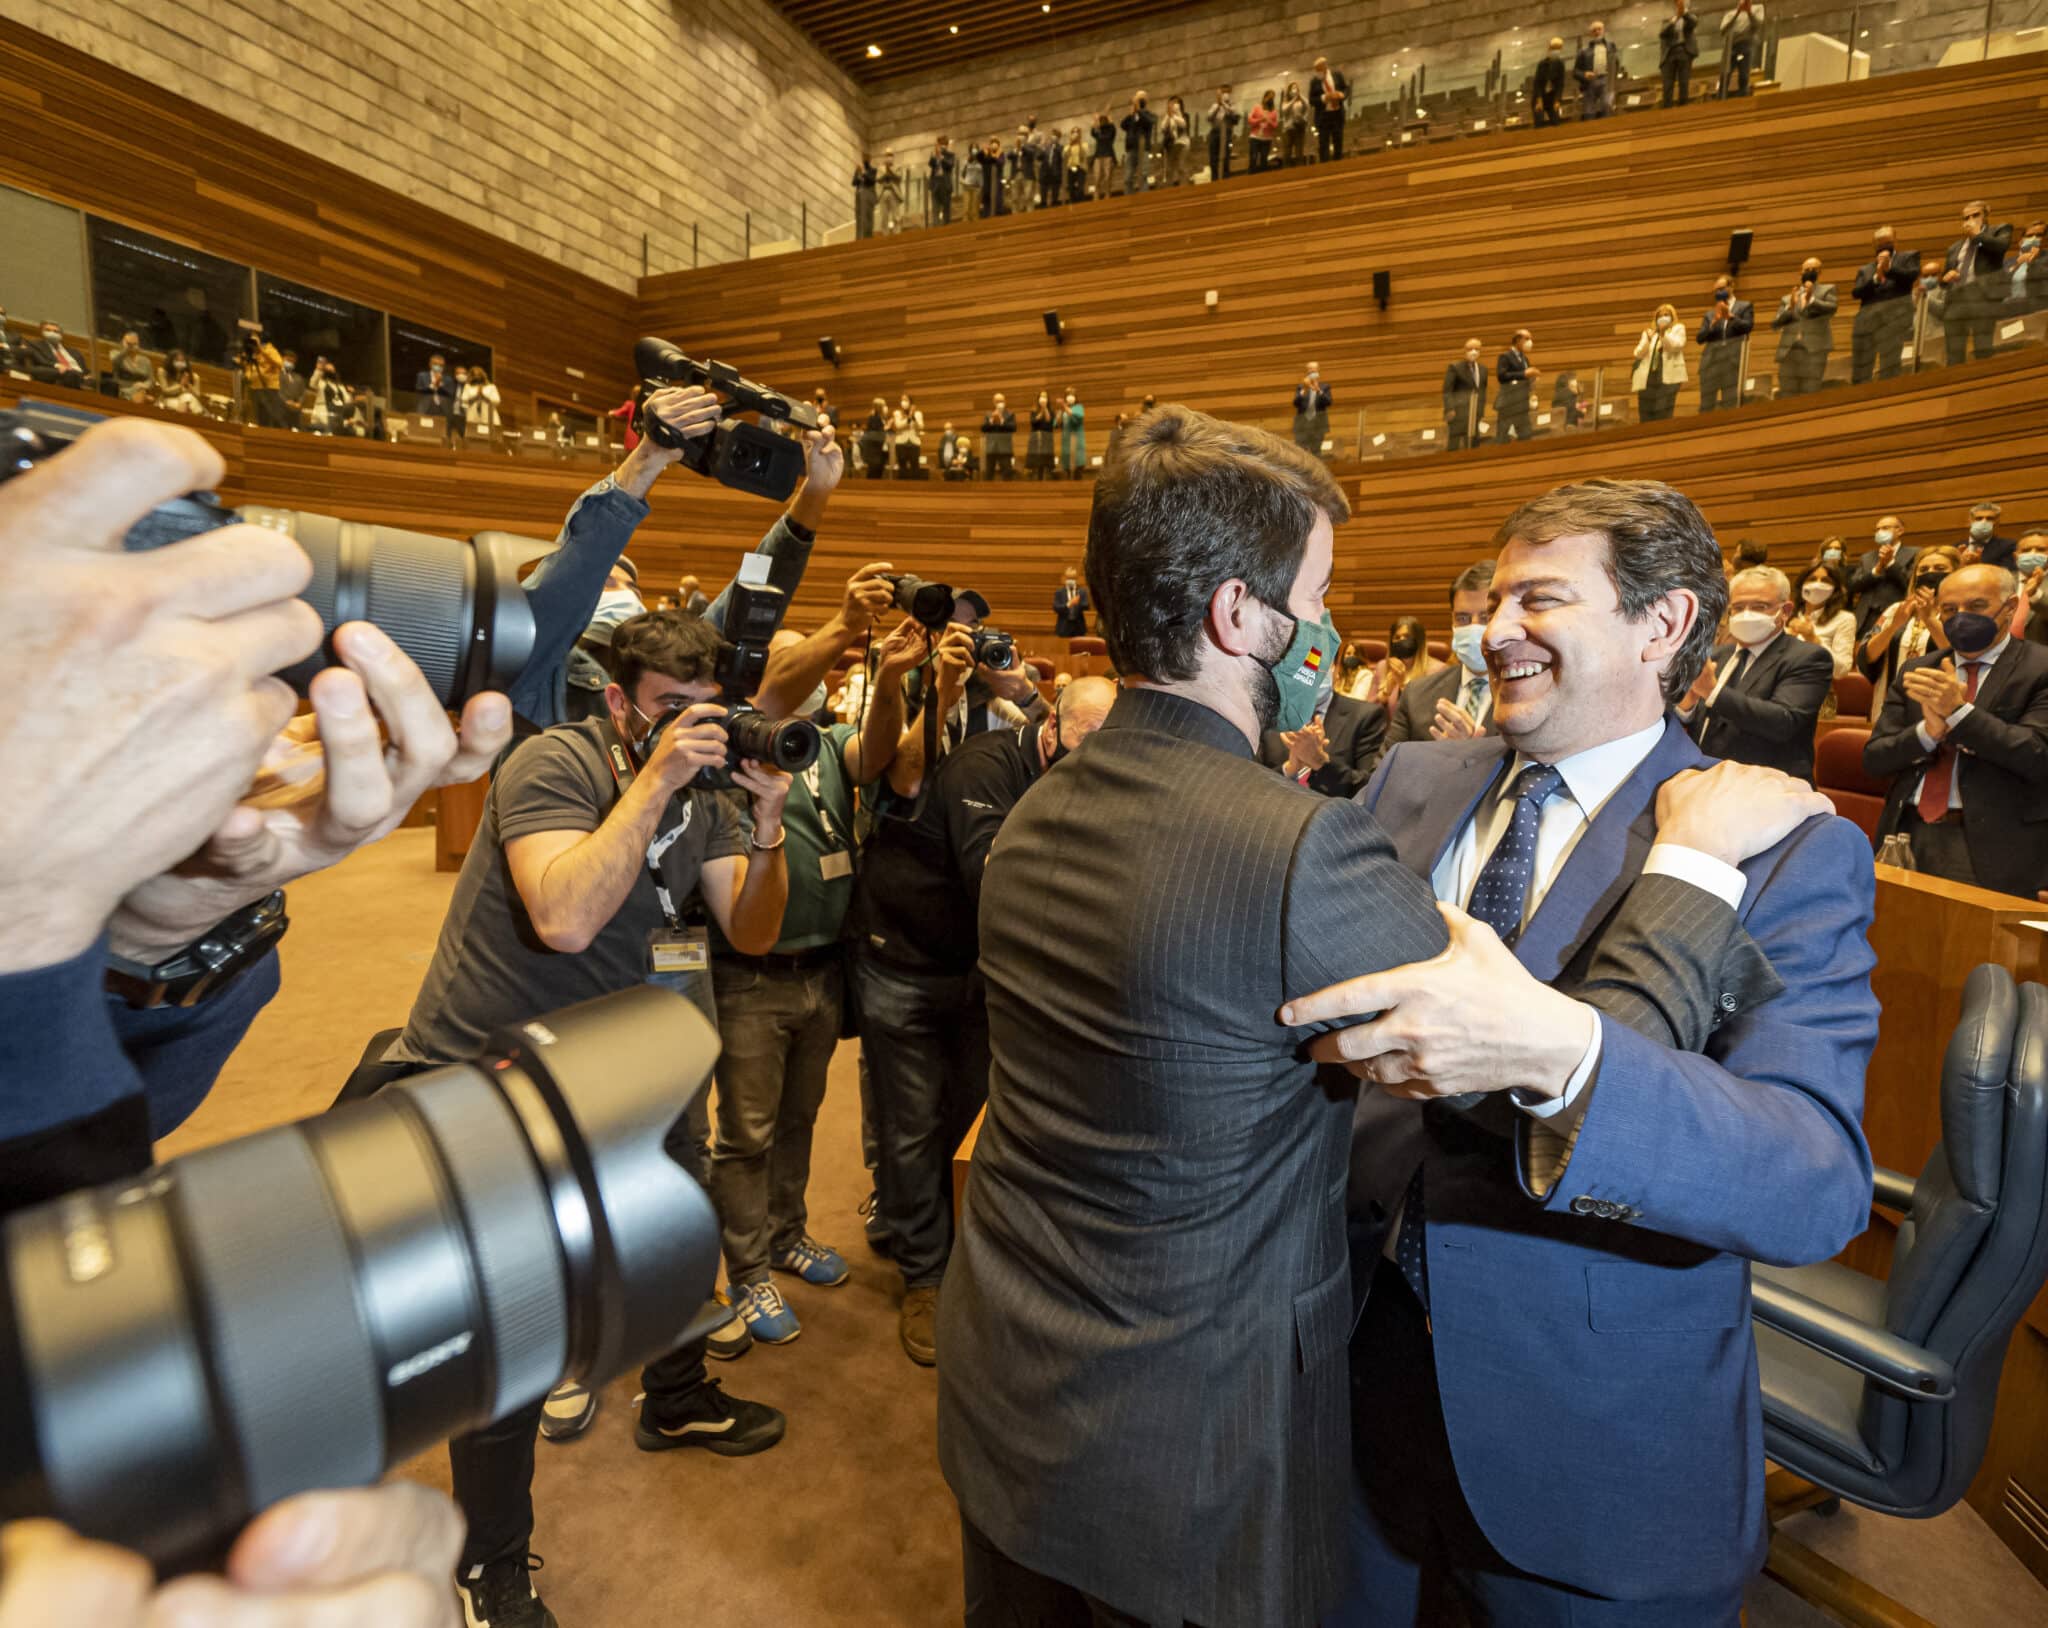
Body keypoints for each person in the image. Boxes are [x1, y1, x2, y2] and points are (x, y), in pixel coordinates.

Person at [1311, 478, 1877, 1628]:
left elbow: (1811, 1178)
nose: (1495, 629)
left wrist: (1565, 1054)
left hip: (1583, 1447)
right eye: (1493, 597)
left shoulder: (1775, 844)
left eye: (1541, 598)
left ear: (1659, 625)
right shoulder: (1408, 779)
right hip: (1346, 1392)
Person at [936, 405, 1452, 1628]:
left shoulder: (1034, 814)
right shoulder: (1304, 847)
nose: (1326, 630)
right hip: (1195, 1452)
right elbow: (1507, 1058)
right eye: (1316, 597)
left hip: (1008, 1383)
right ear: (1239, 616)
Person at [373, 608, 796, 1626]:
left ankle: (679, 1395)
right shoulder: (553, 761)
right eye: (668, 714)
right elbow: (563, 916)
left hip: (619, 1059)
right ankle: (492, 1562)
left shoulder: (709, 792)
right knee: (509, 1329)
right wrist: (654, 781)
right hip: (491, 1069)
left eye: (707, 713)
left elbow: (751, 924)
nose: (694, 733)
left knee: (679, 1226)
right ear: (617, 701)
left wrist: (770, 818)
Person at [855, 663, 1121, 1367]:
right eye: (1087, 737)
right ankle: (923, 1279)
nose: (1098, 754)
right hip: (906, 964)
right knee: (911, 1126)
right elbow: (996, 879)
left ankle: (956, 1255)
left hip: (972, 974)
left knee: (968, 1120)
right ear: (1052, 726)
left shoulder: (1077, 772)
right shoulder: (986, 764)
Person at [710, 613, 921, 1346]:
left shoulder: (824, 744)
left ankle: (785, 1234)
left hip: (823, 970)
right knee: (746, 1134)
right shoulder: (728, 759)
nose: (807, 682)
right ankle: (746, 1270)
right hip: (750, 977)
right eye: (791, 667)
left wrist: (890, 676)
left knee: (798, 1117)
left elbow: (881, 750)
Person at [1866, 563, 2048, 895]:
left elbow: (2037, 755)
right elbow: (1875, 759)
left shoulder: (2040, 669)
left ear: (2009, 607)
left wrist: (1960, 714)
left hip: (1994, 846)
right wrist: (1927, 733)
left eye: (1976, 606)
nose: (1961, 617)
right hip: (1907, 833)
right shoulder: (1919, 669)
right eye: (1949, 609)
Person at [1678, 566, 1836, 780]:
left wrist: (1712, 691)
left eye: (1759, 606)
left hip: (1771, 790)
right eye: (1739, 607)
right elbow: (1698, 720)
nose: (1747, 615)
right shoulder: (1717, 655)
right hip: (1709, 781)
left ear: (1786, 611)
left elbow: (1783, 722)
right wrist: (1687, 706)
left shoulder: (1808, 658)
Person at [1380, 560, 1498, 756]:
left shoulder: (1529, 696)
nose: (1473, 627)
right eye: (1463, 618)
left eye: (1485, 618)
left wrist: (1468, 756)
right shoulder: (1416, 694)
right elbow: (1383, 771)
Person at [1858, 544, 1958, 720]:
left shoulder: (1962, 612)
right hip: (1889, 704)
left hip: (1937, 708)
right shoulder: (1897, 609)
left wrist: (1930, 620)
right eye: (1923, 569)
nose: (1930, 573)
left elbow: (1959, 656)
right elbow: (1868, 656)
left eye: (1940, 568)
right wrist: (1894, 625)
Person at [1260, 676, 1386, 797]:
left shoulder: (1365, 716)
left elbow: (1369, 790)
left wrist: (1320, 762)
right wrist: (1289, 769)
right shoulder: (1269, 713)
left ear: (1334, 668)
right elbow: (1251, 779)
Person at [1941, 199, 2013, 367]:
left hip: (1983, 298)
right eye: (1966, 218)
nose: (1970, 221)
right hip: (1956, 302)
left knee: (1983, 349)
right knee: (1954, 354)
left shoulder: (2000, 230)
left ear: (1986, 216)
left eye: (1975, 215)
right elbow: (1944, 281)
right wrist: (1946, 278)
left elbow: (2001, 247)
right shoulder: (1954, 248)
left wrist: (1977, 235)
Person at [1851, 226, 1921, 383]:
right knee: (1861, 368)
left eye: (1887, 242)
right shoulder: (1865, 269)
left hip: (1894, 320)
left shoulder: (1908, 257)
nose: (1883, 246)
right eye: (1879, 244)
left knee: (1889, 365)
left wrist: (1889, 269)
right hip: (1866, 323)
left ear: (1895, 241)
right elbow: (1856, 293)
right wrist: (1875, 278)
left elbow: (1911, 276)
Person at [1848, 513, 1920, 640]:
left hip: (1897, 615)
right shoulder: (1867, 557)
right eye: (1877, 529)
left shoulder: (1915, 553)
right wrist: (1877, 569)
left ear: (1900, 531)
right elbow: (1854, 585)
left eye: (1885, 528)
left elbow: (1911, 583)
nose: (1880, 532)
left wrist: (1891, 563)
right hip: (1866, 617)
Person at [1773, 256, 1837, 397]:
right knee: (1787, 395)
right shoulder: (1788, 297)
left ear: (1820, 272)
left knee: (1810, 394)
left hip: (1814, 350)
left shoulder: (1827, 290)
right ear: (1800, 272)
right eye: (1806, 269)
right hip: (1789, 351)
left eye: (1814, 269)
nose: (1810, 271)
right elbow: (1776, 324)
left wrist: (1811, 300)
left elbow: (1832, 308)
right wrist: (1791, 306)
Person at [1789, 558, 1857, 676]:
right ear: (1802, 585)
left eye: (1825, 581)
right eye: (1812, 579)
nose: (1818, 584)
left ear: (1835, 589)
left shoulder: (1844, 619)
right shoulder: (1788, 615)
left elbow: (1842, 670)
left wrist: (1813, 639)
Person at [1696, 275, 1753, 411]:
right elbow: (1699, 338)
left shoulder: (1744, 306)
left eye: (1721, 288)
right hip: (1711, 363)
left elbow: (1748, 327)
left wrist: (1731, 317)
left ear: (1731, 286)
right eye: (1715, 290)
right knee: (1706, 405)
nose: (1718, 293)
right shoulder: (1709, 314)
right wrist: (1713, 322)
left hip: (1732, 363)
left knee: (1730, 403)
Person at [1367, 615, 1442, 708]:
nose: (1402, 641)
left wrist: (1403, 685)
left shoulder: (1437, 670)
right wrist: (1386, 692)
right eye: (1397, 638)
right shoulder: (1382, 667)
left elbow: (1429, 710)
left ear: (1419, 640)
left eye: (1407, 636)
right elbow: (1367, 708)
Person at [1632, 302, 1687, 421]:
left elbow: (1676, 346)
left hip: (1668, 379)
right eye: (1660, 316)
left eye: (1666, 315)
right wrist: (1648, 339)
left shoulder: (1678, 329)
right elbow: (1637, 353)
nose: (1663, 318)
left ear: (1672, 317)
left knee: (1663, 412)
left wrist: (1663, 334)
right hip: (1648, 379)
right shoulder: (1650, 333)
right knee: (1646, 413)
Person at [1442, 337, 1488, 449]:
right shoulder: (1455, 367)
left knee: (1474, 442)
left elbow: (1482, 391)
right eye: (1470, 348)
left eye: (1477, 349)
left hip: (1474, 412)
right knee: (1454, 444)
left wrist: (1481, 411)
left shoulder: (1483, 369)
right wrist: (1450, 408)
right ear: (1464, 350)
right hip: (1458, 412)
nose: (1474, 351)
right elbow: (1447, 391)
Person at [1494, 329, 1537, 442]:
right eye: (1527, 339)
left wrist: (1532, 379)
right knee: (1503, 438)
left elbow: (1525, 377)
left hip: (1521, 404)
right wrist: (1524, 373)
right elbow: (1501, 376)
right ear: (1518, 340)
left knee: (1526, 436)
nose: (1530, 342)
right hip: (1508, 404)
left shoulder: (1525, 359)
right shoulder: (1505, 356)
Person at [1575, 20, 1622, 119]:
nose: (1597, 32)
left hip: (1606, 79)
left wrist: (1613, 81)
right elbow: (1575, 71)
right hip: (1590, 82)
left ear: (1603, 30)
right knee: (1588, 110)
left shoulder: (1611, 47)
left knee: (1606, 105)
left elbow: (1616, 64)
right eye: (1594, 30)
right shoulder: (1584, 51)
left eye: (1599, 29)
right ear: (1591, 34)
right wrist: (1584, 74)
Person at [23, 320, 87, 391]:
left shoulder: (75, 352)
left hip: (79, 376)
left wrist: (87, 376)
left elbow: (85, 371)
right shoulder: (35, 345)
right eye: (48, 330)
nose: (52, 333)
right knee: (70, 375)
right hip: (59, 375)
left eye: (56, 331)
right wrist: (57, 366)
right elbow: (36, 364)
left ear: (61, 335)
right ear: (42, 332)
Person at [1957, 497, 2016, 568]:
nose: (1983, 522)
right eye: (1979, 518)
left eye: (1989, 519)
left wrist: (1976, 565)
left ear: (1997, 523)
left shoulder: (2008, 547)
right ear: (1970, 521)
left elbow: (2006, 574)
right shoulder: (1956, 547)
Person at [1659, 0, 1698, 106]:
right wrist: (1675, 19)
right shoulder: (1667, 19)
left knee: (1684, 82)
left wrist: (1683, 13)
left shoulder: (1690, 17)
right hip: (1669, 54)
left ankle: (1683, 108)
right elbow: (1662, 33)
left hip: (1684, 51)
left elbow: (1693, 22)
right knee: (1667, 85)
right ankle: (1667, 110)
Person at [1720, 0, 1763, 95]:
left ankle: (1743, 97)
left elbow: (1757, 25)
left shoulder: (1758, 9)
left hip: (1746, 45)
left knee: (1744, 75)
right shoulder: (1730, 14)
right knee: (1725, 75)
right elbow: (1723, 30)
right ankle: (1721, 98)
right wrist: (1738, 12)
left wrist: (1749, 12)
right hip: (1730, 46)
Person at [1312, 54, 1350, 160]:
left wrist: (1341, 95)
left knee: (1338, 140)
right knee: (1323, 143)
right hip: (1323, 117)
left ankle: (1338, 164)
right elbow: (1312, 100)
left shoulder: (1337, 75)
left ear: (1324, 66)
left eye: (1319, 68)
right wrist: (1324, 98)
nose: (1318, 71)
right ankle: (1325, 166)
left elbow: (1346, 89)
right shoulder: (1314, 81)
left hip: (1337, 114)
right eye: (1316, 70)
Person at [303, 356, 351, 434]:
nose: (330, 370)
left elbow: (347, 400)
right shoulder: (321, 383)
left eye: (332, 369)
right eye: (328, 369)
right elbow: (312, 384)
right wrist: (319, 369)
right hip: (323, 412)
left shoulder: (340, 386)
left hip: (338, 414)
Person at [1293, 363, 1332, 457]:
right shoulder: (1301, 387)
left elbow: (1328, 402)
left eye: (1314, 370)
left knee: (1316, 451)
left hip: (1318, 424)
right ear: (1307, 372)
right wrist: (1304, 390)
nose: (1312, 372)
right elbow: (1295, 403)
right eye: (1310, 370)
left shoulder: (1325, 387)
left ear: (1318, 371)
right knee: (1301, 452)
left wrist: (1318, 390)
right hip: (1303, 424)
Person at [1120, 92, 1155, 196]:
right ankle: (1128, 199)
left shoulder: (1149, 114)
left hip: (1143, 148)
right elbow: (1123, 125)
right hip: (1131, 149)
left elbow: (1149, 122)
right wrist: (1132, 114)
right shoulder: (1131, 117)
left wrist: (1140, 110)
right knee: (1127, 178)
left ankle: (1144, 198)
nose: (1138, 102)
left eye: (1140, 99)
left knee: (1143, 175)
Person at [413, 350, 456, 432]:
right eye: (435, 364)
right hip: (426, 408)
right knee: (424, 431)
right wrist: (433, 385)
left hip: (443, 410)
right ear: (430, 364)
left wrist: (439, 385)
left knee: (442, 433)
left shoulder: (448, 379)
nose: (438, 367)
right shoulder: (422, 376)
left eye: (441, 365)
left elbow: (450, 393)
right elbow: (419, 390)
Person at [460, 364, 502, 444]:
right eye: (475, 375)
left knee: (491, 440)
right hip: (473, 416)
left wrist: (484, 396)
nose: (477, 376)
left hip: (489, 416)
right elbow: (464, 399)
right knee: (474, 439)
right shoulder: (468, 387)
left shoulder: (491, 387)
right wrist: (476, 396)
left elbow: (497, 400)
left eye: (479, 374)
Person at [1206, 85, 1241, 180]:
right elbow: (1209, 117)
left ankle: (1225, 178)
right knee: (1213, 159)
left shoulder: (1232, 105)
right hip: (1215, 133)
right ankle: (1214, 179)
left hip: (1227, 134)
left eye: (1227, 92)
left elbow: (1236, 116)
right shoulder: (1214, 105)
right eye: (1222, 93)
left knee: (1225, 158)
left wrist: (1224, 105)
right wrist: (1218, 105)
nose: (1225, 94)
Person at [110, 330, 154, 401]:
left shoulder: (145, 360)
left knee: (141, 393)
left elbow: (151, 380)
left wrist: (143, 385)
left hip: (141, 388)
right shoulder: (115, 354)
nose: (132, 346)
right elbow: (115, 362)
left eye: (134, 344)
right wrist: (126, 349)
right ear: (123, 342)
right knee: (141, 395)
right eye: (129, 343)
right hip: (122, 388)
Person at [1533, 38, 1567, 125]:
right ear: (1549, 49)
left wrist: (1557, 101)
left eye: (1558, 48)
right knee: (1539, 121)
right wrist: (1539, 101)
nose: (1556, 51)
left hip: (1552, 98)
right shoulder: (1542, 64)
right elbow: (1537, 84)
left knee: (1556, 121)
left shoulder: (1560, 64)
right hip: (1540, 97)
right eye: (1554, 48)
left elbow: (1560, 84)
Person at [982, 393, 1016, 478]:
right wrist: (991, 421)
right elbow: (983, 429)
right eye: (997, 401)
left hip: (1005, 448)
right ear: (994, 402)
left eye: (1001, 401)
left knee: (1007, 473)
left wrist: (1002, 421)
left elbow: (1013, 428)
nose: (999, 403)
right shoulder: (989, 414)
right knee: (988, 473)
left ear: (1005, 401)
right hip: (991, 448)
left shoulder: (1010, 414)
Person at [1052, 563, 1090, 640]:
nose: (1071, 580)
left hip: (1078, 627)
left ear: (1076, 579)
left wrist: (1078, 603)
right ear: (1065, 579)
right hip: (1064, 626)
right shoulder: (1059, 592)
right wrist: (1068, 604)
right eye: (1069, 578)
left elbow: (1087, 605)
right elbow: (1056, 607)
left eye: (1073, 578)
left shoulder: (1082, 591)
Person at [1026, 390, 1057, 480]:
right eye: (1041, 397)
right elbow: (1034, 422)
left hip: (1047, 440)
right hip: (1036, 440)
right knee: (1036, 463)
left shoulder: (1051, 411)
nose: (1043, 399)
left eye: (1045, 397)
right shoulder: (1034, 410)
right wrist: (1041, 412)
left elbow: (1049, 421)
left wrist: (1045, 409)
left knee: (1045, 463)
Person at [891, 393, 924, 477]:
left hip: (914, 442)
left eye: (906, 400)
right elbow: (898, 426)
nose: (903, 402)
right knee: (902, 466)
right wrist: (909, 417)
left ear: (910, 402)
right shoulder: (897, 413)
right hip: (901, 442)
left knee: (915, 466)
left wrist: (913, 417)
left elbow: (920, 427)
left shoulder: (918, 414)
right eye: (902, 400)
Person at [1279, 80, 1311, 164]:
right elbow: (1284, 110)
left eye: (1296, 88)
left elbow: (1307, 106)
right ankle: (1286, 169)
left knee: (1299, 150)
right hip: (1288, 129)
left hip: (1299, 128)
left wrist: (1299, 96)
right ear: (1289, 91)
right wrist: (1293, 100)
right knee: (1287, 150)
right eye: (1293, 88)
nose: (1294, 90)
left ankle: (1299, 169)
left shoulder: (1301, 101)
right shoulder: (1285, 102)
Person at [1057, 387, 1086, 477]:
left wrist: (1064, 406)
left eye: (1072, 395)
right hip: (1066, 440)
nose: (1070, 397)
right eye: (1068, 395)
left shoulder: (1079, 407)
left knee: (1077, 463)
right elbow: (1057, 423)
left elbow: (1077, 417)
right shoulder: (1062, 410)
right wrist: (1060, 411)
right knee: (1067, 465)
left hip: (1076, 438)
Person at [1089, 111, 1117, 199]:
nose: (1102, 121)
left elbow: (1113, 131)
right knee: (1097, 178)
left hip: (1108, 155)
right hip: (1098, 156)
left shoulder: (1110, 130)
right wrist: (1095, 120)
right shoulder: (1098, 131)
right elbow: (1093, 132)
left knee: (1107, 178)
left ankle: (1107, 195)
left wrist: (1110, 120)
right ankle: (1096, 196)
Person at [929, 136, 956, 226]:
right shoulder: (935, 155)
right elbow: (931, 164)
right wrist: (935, 155)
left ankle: (946, 226)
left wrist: (941, 157)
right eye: (940, 144)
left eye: (943, 145)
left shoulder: (950, 155)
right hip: (935, 184)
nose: (941, 147)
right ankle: (936, 226)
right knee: (935, 209)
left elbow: (950, 165)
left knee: (946, 208)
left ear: (946, 145)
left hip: (945, 184)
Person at [860, 396, 888, 479]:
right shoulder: (874, 417)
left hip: (878, 446)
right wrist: (886, 428)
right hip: (874, 446)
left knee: (878, 467)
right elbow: (875, 431)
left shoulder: (880, 417)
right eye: (884, 406)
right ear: (879, 407)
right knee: (874, 467)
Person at [878, 151, 905, 235]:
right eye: (887, 155)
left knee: (896, 215)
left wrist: (890, 171)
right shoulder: (880, 168)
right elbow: (878, 179)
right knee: (884, 216)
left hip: (894, 192)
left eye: (890, 155)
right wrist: (885, 173)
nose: (888, 157)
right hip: (883, 191)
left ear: (893, 157)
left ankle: (897, 233)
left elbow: (899, 178)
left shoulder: (897, 167)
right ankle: (885, 234)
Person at [852, 154, 877, 239]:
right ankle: (858, 237)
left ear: (869, 159)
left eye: (866, 157)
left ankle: (866, 237)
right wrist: (858, 175)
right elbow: (854, 183)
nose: (864, 159)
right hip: (859, 194)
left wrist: (863, 173)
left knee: (866, 217)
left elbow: (871, 181)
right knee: (858, 216)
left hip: (867, 194)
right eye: (863, 157)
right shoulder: (859, 170)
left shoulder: (873, 170)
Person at [1063, 126, 1087, 203]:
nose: (1075, 134)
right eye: (1073, 132)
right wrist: (1070, 144)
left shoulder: (1084, 144)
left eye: (1077, 132)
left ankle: (1081, 202)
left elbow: (1082, 155)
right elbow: (1065, 155)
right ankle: (1073, 203)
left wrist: (1079, 143)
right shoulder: (1067, 146)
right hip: (1071, 168)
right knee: (1071, 188)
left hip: (1081, 167)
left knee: (1080, 187)